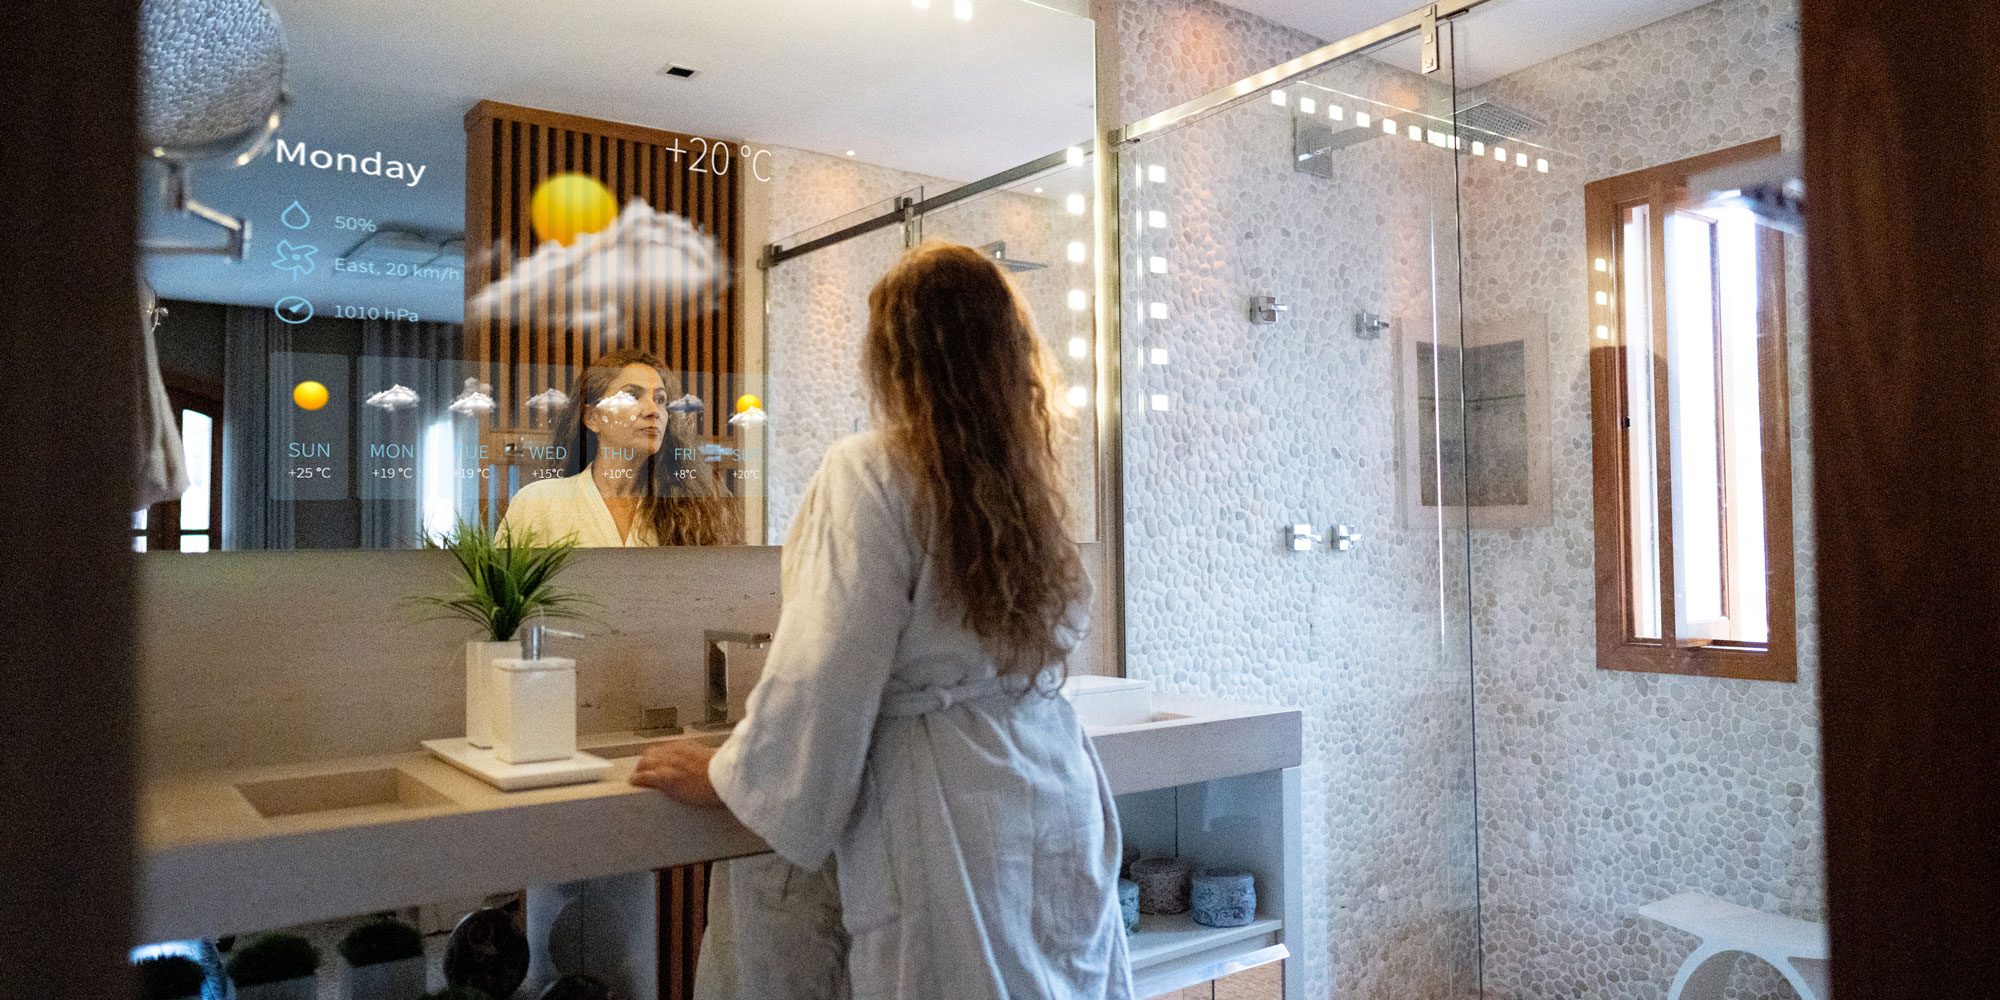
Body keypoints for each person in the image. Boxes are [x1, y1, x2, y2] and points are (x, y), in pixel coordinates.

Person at [630, 243, 1131, 1000]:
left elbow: (824, 670)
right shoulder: (1029, 486)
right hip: (1050, 789)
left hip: (947, 811)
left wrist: (730, 778)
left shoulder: (871, 469)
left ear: (894, 359)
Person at [499, 347, 741, 547]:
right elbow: (501, 599)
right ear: (593, 418)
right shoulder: (539, 502)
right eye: (632, 396)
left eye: (660, 399)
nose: (653, 411)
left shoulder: (691, 510)